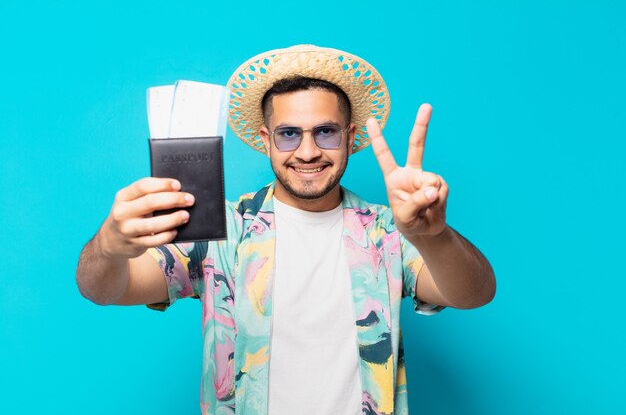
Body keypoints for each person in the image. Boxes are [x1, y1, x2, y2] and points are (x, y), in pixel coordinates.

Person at [76, 44, 496, 415]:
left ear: (350, 137)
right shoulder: (221, 229)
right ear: (267, 139)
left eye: (326, 132)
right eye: (290, 134)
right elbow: (106, 289)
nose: (308, 151)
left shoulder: (385, 230)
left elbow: (474, 293)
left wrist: (432, 235)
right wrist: (110, 247)